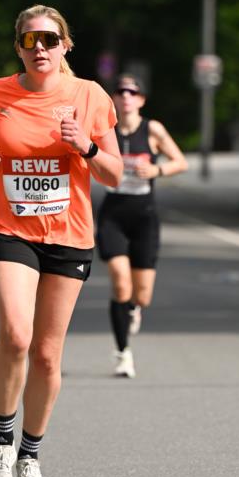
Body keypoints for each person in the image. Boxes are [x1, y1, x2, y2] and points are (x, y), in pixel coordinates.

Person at [0, 4, 122, 477]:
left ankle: (31, 457)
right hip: (9, 227)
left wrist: (87, 148)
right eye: (30, 41)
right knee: (15, 335)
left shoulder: (89, 96)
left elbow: (116, 173)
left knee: (48, 355)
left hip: (69, 235)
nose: (40, 50)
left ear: (66, 46)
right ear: (18, 47)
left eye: (49, 41)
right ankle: (3, 443)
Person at [97, 74, 187, 378]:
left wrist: (157, 169)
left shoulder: (153, 129)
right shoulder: (104, 129)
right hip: (113, 215)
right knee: (120, 282)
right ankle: (123, 353)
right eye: (120, 91)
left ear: (140, 99)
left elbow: (180, 161)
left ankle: (134, 308)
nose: (125, 96)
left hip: (144, 217)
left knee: (142, 294)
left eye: (131, 92)